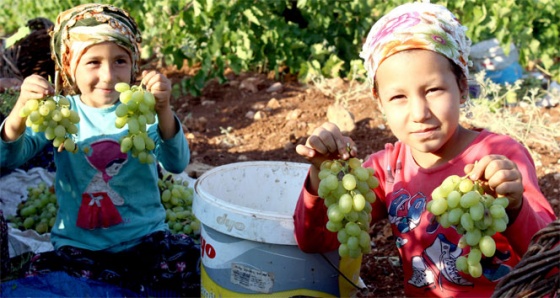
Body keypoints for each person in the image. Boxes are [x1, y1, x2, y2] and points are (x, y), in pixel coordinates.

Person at [293, 2, 556, 297]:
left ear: (462, 86)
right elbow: (315, 242)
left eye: (433, 90)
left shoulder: (500, 159)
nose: (419, 112)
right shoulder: (385, 170)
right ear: (379, 102)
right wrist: (320, 174)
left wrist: (516, 206)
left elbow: (552, 261)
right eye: (398, 97)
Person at [0, 4, 200, 296]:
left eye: (120, 60)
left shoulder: (140, 110)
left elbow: (177, 163)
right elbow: (9, 158)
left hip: (145, 242)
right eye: (93, 62)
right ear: (69, 66)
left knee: (193, 264)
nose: (108, 75)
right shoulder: (61, 114)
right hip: (81, 249)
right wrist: (19, 112)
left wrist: (164, 108)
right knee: (51, 280)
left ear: (134, 65)